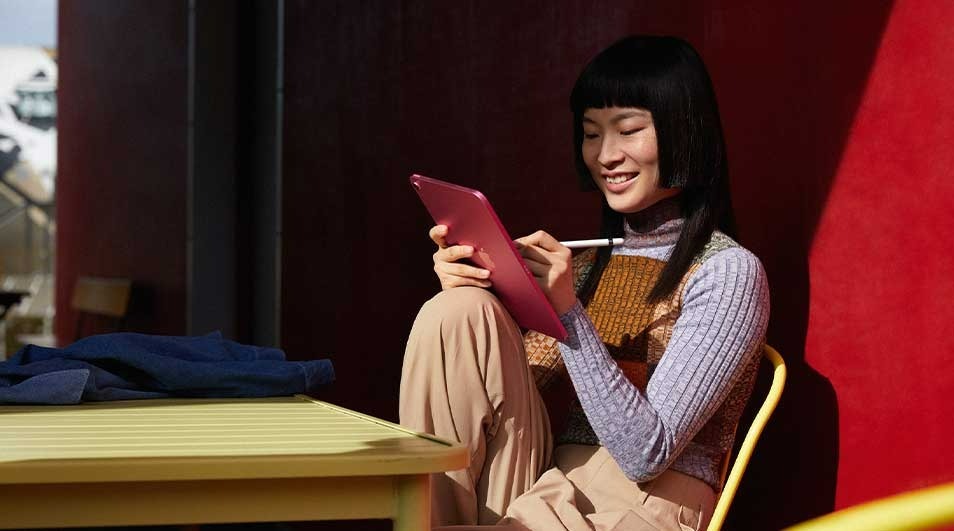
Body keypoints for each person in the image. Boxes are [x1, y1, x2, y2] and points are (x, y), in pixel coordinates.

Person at [400, 35, 769, 531]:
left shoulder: (728, 272)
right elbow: (507, 395)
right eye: (591, 134)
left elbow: (647, 452)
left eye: (629, 130)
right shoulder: (590, 262)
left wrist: (569, 313)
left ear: (686, 132)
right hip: (548, 481)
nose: (606, 155)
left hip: (643, 501)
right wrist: (476, 297)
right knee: (457, 313)